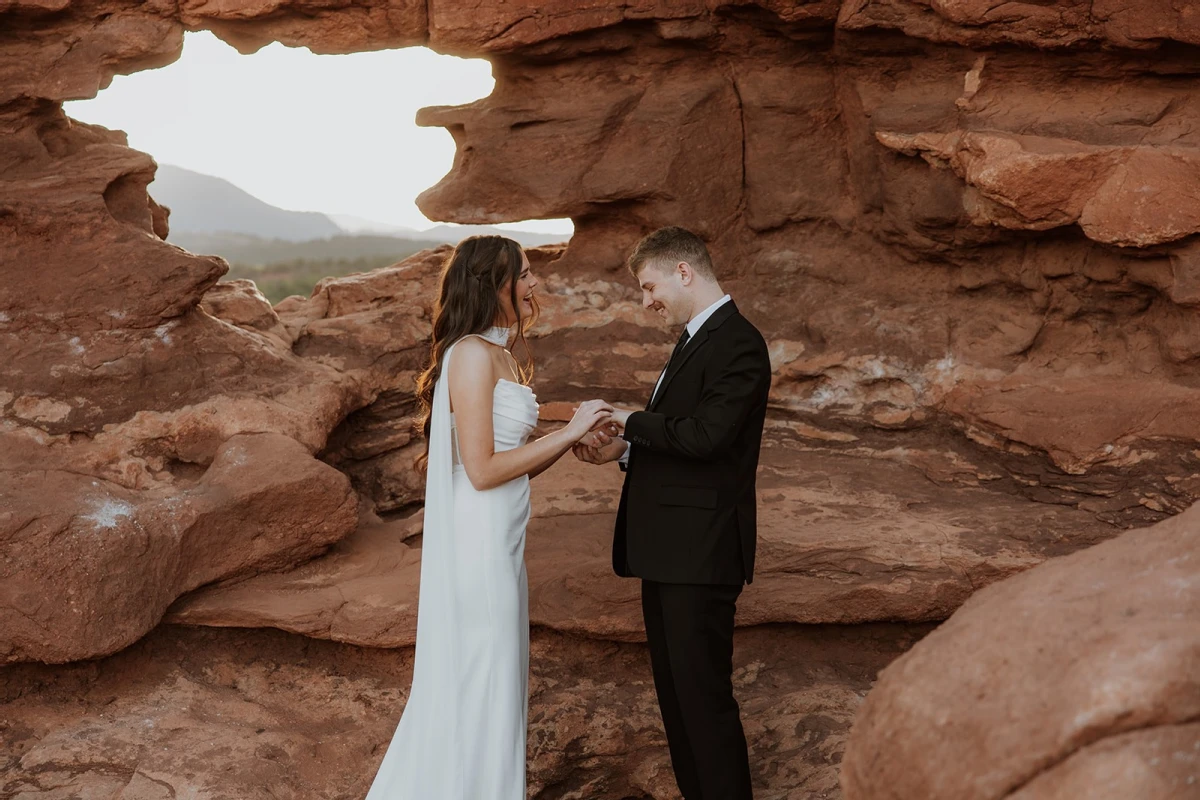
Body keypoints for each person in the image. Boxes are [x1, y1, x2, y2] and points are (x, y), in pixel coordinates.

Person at [365, 235, 612, 800]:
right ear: (491, 284)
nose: (535, 284)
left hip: (502, 537)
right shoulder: (471, 354)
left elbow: (509, 469)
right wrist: (570, 430)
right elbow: (479, 470)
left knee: (498, 685)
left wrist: (561, 443)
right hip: (476, 543)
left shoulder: (500, 354)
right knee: (482, 682)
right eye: (524, 275)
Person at [574, 226, 772, 800]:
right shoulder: (694, 338)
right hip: (671, 552)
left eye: (649, 285)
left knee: (703, 703)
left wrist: (631, 420)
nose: (647, 300)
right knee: (678, 701)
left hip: (702, 552)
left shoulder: (737, 341)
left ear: (684, 272)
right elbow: (688, 441)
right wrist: (626, 450)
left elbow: (711, 436)